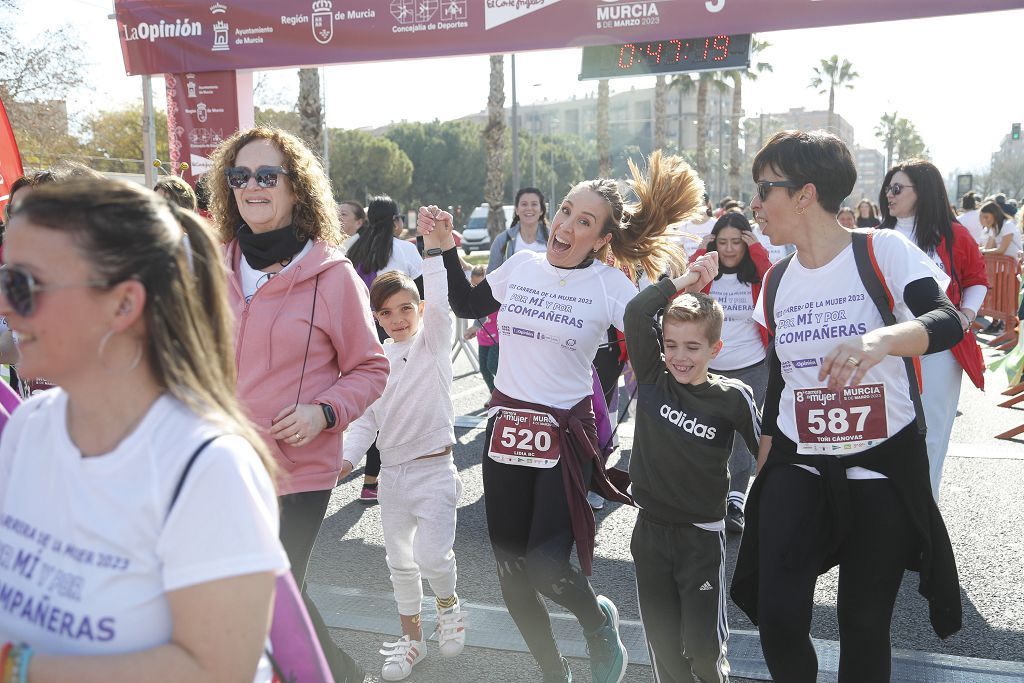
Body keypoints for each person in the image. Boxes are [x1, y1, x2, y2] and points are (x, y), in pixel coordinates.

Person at [420, 150, 708, 683]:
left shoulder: (609, 285)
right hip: (505, 430)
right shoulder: (523, 264)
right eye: (566, 211)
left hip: (563, 437)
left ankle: (599, 623)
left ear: (601, 239)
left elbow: (653, 329)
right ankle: (553, 672)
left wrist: (683, 285)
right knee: (510, 572)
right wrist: (440, 249)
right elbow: (466, 303)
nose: (567, 226)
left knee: (547, 567)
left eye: (584, 221)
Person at [0, 178, 288, 681]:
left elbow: (218, 669)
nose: (4, 306)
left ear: (124, 305)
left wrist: (17, 668)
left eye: (23, 285)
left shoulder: (210, 468)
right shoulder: (29, 426)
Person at [731, 130, 963, 683]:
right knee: (779, 615)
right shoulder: (778, 279)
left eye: (765, 189)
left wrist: (879, 340)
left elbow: (948, 321)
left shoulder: (880, 249)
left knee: (863, 624)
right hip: (799, 459)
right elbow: (781, 378)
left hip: (881, 461)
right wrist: (767, 451)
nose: (756, 204)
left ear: (805, 194)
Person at [209, 125, 388, 683]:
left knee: (270, 592)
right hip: (221, 468)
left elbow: (371, 367)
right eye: (240, 176)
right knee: (253, 596)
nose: (252, 187)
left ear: (295, 189)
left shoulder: (331, 276)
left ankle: (336, 676)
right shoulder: (212, 265)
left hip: (295, 472)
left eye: (267, 175)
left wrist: (323, 413)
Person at [624, 275, 761, 683]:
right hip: (649, 532)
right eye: (670, 345)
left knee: (702, 650)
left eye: (692, 347)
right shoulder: (652, 378)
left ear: (715, 348)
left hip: (701, 537)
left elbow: (766, 453)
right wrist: (683, 282)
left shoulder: (732, 396)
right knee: (665, 649)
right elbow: (636, 311)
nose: (679, 356)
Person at [340, 263, 467, 681]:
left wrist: (433, 251)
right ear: (375, 317)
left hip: (435, 471)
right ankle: (413, 641)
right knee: (400, 563)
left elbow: (443, 303)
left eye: (405, 309)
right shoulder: (375, 362)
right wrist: (344, 460)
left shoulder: (432, 343)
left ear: (420, 308)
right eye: (386, 313)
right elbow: (363, 422)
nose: (397, 319)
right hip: (392, 477)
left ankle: (449, 607)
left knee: (431, 556)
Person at [878, 159, 988, 499]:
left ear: (922, 191)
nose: (889, 195)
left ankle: (926, 517)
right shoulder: (876, 237)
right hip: (887, 349)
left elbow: (976, 281)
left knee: (932, 434)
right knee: (886, 433)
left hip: (939, 349)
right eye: (887, 188)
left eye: (897, 188)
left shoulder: (954, 235)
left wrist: (964, 317)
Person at [690, 211, 773, 533]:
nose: (728, 249)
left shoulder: (758, 276)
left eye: (736, 242)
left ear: (747, 242)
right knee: (707, 433)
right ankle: (707, 498)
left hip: (753, 368)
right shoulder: (708, 275)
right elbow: (686, 291)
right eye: (721, 242)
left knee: (742, 437)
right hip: (709, 370)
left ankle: (736, 503)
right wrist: (702, 251)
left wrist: (758, 252)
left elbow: (773, 282)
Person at [344, 194, 423, 503]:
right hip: (398, 339)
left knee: (369, 408)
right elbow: (422, 298)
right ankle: (376, 479)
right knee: (392, 408)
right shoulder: (405, 250)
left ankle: (364, 475)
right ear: (395, 221)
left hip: (360, 335)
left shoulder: (351, 248)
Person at [487, 187, 549, 272]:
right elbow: (491, 278)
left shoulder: (552, 239)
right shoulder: (502, 241)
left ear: (541, 210)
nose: (529, 208)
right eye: (524, 204)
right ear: (516, 210)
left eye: (534, 204)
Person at [463, 264, 500, 396]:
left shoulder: (496, 295)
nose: (477, 289)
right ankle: (494, 395)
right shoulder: (476, 296)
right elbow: (478, 316)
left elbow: (483, 315)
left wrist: (475, 327)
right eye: (474, 285)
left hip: (497, 338)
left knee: (492, 365)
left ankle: (506, 389)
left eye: (480, 285)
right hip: (483, 338)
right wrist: (474, 329)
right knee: (484, 369)